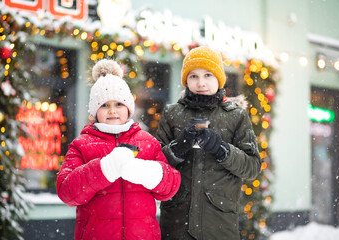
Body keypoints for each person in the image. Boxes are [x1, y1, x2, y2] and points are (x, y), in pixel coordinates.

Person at [56, 59, 181, 240]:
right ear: (94, 110)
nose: (112, 110)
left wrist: (145, 172)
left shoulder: (147, 142)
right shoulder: (81, 145)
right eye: (104, 105)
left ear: (129, 108)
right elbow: (67, 192)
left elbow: (170, 187)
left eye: (119, 104)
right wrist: (105, 168)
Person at [156, 46, 261, 240]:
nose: (201, 82)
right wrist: (177, 149)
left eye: (208, 75)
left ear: (219, 78)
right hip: (176, 225)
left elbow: (252, 167)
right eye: (193, 76)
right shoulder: (172, 114)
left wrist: (223, 150)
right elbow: (155, 165)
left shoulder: (236, 116)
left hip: (220, 225)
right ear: (186, 80)